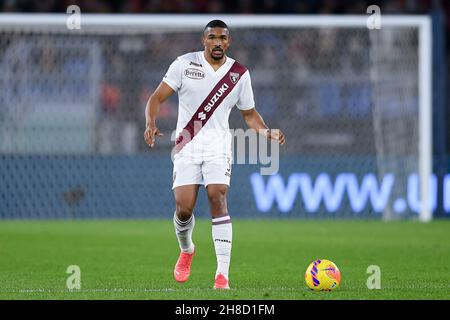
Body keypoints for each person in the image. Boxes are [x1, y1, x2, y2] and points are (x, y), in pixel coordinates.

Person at [144, 19, 285, 289]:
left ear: (228, 42)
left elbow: (249, 114)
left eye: (222, 38)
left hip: (218, 146)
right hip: (186, 145)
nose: (217, 42)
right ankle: (187, 250)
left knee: (217, 195)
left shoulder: (239, 74)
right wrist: (150, 122)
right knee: (183, 209)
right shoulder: (184, 64)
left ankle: (222, 276)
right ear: (203, 40)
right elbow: (156, 98)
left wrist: (266, 132)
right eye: (212, 37)